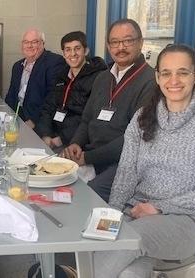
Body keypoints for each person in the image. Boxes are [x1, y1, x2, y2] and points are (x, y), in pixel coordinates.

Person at [94, 44, 195, 278]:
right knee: (125, 268)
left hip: (187, 220)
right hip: (137, 212)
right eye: (166, 72)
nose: (173, 80)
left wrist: (159, 207)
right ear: (157, 76)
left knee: (132, 237)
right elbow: (126, 173)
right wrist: (114, 213)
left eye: (183, 72)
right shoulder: (143, 117)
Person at [62, 19, 156, 202]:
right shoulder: (103, 77)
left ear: (141, 42)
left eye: (127, 40)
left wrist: (88, 157)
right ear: (108, 46)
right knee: (59, 184)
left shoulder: (150, 81)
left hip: (123, 162)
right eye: (115, 42)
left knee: (88, 196)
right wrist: (76, 143)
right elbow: (87, 119)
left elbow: (133, 139)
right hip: (93, 154)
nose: (121, 47)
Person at [37, 31, 107, 150]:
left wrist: (61, 139)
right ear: (63, 54)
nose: (72, 54)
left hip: (77, 143)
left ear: (86, 51)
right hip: (53, 138)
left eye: (77, 48)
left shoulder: (98, 78)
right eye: (68, 50)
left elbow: (90, 117)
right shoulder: (61, 76)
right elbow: (48, 108)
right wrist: (45, 134)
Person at [5, 28, 65, 129]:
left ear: (43, 43)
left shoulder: (54, 62)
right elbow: (11, 95)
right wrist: (7, 114)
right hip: (17, 117)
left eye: (34, 42)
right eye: (26, 42)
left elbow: (53, 98)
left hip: (38, 121)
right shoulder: (17, 66)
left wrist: (33, 121)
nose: (29, 45)